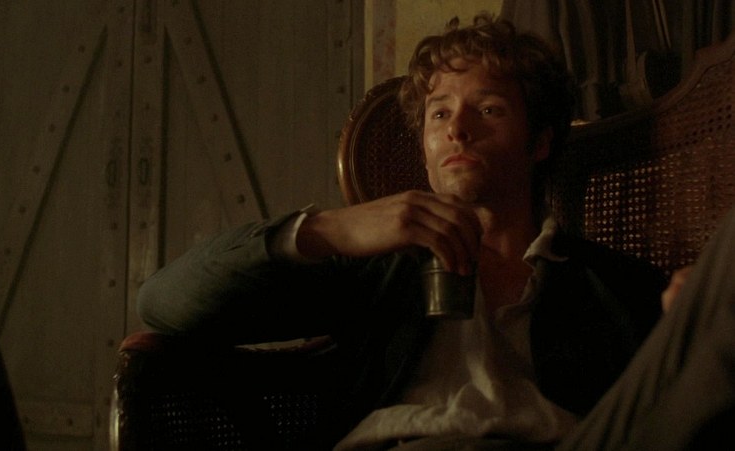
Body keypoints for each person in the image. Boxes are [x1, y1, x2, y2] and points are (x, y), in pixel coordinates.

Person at [137, 12, 734, 450]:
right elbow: (164, 303)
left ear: (540, 142)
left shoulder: (611, 285)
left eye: (489, 109)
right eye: (440, 112)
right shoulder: (375, 270)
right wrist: (328, 229)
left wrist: (693, 322)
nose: (457, 129)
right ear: (424, 150)